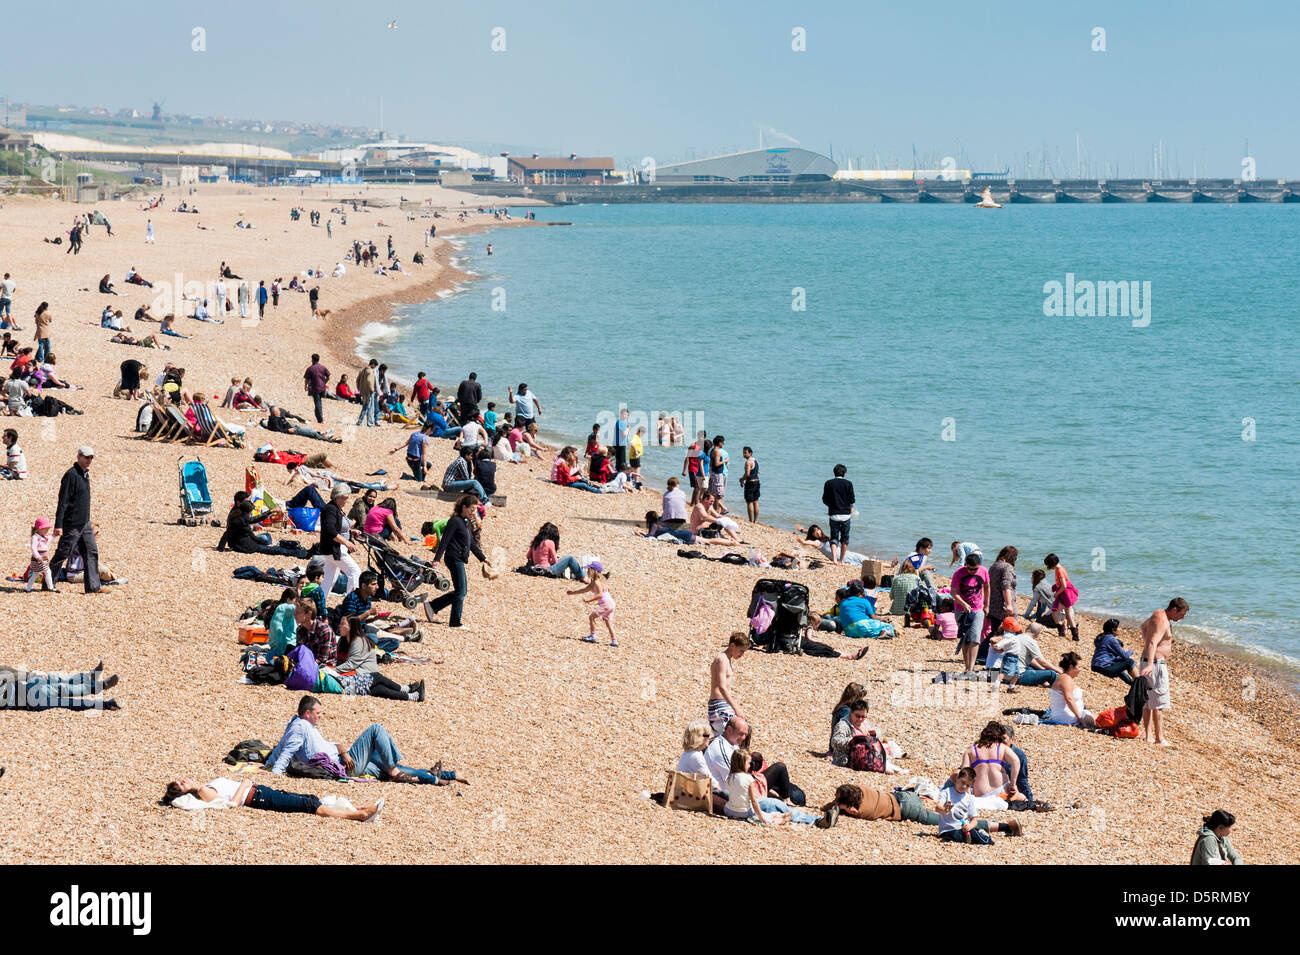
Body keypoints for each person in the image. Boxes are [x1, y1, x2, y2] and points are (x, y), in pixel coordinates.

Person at [267, 695, 467, 785]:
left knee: (383, 770)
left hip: (344, 759)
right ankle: (394, 769)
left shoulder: (305, 725)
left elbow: (283, 746)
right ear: (307, 713)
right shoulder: (300, 727)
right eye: (318, 713)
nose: (321, 716)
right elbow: (286, 750)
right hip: (341, 767)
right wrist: (273, 772)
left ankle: (439, 777)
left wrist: (343, 751)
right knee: (375, 729)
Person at [826, 781, 1021, 838]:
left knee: (948, 821)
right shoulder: (861, 789)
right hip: (905, 794)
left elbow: (838, 809)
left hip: (907, 810)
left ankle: (1005, 827)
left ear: (850, 806)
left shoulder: (858, 810)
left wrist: (836, 806)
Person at [163, 776, 383, 822]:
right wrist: (244, 785)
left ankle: (363, 808)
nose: (184, 780)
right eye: (181, 785)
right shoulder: (203, 791)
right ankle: (359, 815)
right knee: (307, 806)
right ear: (184, 792)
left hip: (258, 793)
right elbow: (229, 804)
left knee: (307, 799)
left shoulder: (203, 787)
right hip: (255, 797)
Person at [424, 494, 487, 631]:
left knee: (460, 591)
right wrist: (436, 559)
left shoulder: (465, 522)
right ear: (463, 507)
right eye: (471, 509)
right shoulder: (455, 521)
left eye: (475, 510)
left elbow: (471, 543)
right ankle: (455, 622)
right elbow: (445, 540)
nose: (473, 512)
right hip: (453, 558)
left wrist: (483, 558)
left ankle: (433, 606)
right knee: (461, 591)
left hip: (459, 559)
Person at [724, 748, 824, 827]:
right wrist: (762, 818)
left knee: (774, 807)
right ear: (743, 763)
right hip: (744, 812)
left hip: (729, 810)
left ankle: (787, 815)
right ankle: (816, 820)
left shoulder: (729, 778)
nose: (750, 765)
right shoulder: (748, 778)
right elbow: (754, 801)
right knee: (775, 808)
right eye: (749, 763)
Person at [49, 447, 101, 594]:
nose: (89, 460)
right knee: (63, 553)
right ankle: (48, 583)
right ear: (78, 456)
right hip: (72, 524)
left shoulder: (85, 475)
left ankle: (93, 587)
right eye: (86, 457)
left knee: (91, 552)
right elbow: (63, 501)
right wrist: (59, 524)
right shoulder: (71, 475)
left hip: (84, 523)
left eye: (91, 457)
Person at [1139, 598, 1189, 746]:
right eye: (1182, 614)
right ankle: (1159, 738)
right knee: (1158, 703)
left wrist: (1148, 653)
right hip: (1155, 665)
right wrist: (1150, 663)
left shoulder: (1157, 614)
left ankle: (1148, 736)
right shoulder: (1163, 621)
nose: (1182, 618)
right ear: (1174, 609)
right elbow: (1154, 641)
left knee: (1148, 702)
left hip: (1149, 662)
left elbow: (1143, 627)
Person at [938, 768, 1022, 844]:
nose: (963, 786)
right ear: (957, 778)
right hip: (947, 829)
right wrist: (945, 810)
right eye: (962, 782)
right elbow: (937, 807)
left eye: (967, 785)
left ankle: (984, 836)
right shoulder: (946, 792)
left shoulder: (969, 798)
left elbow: (974, 820)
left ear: (971, 786)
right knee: (957, 835)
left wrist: (970, 826)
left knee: (982, 839)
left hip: (964, 829)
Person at [951, 721, 1020, 810]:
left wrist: (967, 794)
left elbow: (965, 773)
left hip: (981, 794)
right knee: (1022, 797)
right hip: (1001, 792)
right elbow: (1016, 761)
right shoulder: (1001, 748)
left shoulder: (971, 750)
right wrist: (1013, 784)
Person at [1, 662, 120, 711]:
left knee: (59, 681)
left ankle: (91, 678)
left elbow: (6, 670)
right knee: (67, 696)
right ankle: (103, 693)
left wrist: (31, 674)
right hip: (30, 698)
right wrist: (31, 674)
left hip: (29, 685)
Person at [320, 484, 361, 603]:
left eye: (346, 497)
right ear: (337, 496)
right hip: (334, 549)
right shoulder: (330, 509)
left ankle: (318, 605)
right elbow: (330, 530)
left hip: (332, 549)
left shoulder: (336, 508)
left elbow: (337, 527)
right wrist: (347, 542)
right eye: (344, 497)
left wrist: (351, 531)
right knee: (355, 571)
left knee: (329, 580)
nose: (346, 500)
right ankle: (352, 603)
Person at [950, 552, 989, 671]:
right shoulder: (959, 573)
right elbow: (953, 592)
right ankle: (967, 666)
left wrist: (987, 605)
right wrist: (964, 604)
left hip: (978, 609)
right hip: (961, 610)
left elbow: (987, 587)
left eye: (975, 569)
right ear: (966, 565)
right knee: (965, 639)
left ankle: (971, 668)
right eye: (970, 569)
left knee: (975, 638)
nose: (973, 571)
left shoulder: (983, 571)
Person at [1041, 652, 1096, 727]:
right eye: (1079, 667)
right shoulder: (1066, 679)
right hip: (1066, 718)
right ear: (1071, 667)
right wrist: (1080, 718)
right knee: (1102, 720)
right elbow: (1069, 699)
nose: (1081, 670)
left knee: (1101, 717)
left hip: (1067, 715)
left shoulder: (1066, 678)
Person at [568, 562, 617, 646]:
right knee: (608, 622)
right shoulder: (599, 582)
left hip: (606, 604)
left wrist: (589, 600)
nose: (587, 572)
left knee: (591, 617)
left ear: (593, 571)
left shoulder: (597, 582)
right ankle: (614, 641)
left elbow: (600, 594)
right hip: (611, 603)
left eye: (588, 570)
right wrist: (572, 592)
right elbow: (585, 589)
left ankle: (592, 636)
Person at [708, 633, 747, 733]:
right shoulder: (722, 659)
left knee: (725, 738)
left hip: (721, 704)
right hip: (719, 704)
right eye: (741, 651)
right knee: (732, 736)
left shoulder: (726, 659)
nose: (742, 655)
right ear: (732, 645)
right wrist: (736, 708)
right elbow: (722, 687)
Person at [821, 464, 855, 565]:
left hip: (834, 515)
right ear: (844, 474)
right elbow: (852, 499)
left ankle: (835, 559)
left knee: (834, 537)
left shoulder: (828, 483)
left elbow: (824, 499)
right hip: (846, 515)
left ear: (834, 473)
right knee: (845, 538)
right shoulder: (848, 483)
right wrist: (850, 508)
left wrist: (831, 506)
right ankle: (841, 560)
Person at [1091, 618, 1139, 685]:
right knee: (1129, 661)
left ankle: (1133, 684)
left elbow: (1113, 658)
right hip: (1103, 667)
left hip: (1096, 666)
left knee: (1119, 665)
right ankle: (1140, 684)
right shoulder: (1111, 639)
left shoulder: (1101, 638)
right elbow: (1125, 656)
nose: (1120, 629)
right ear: (1113, 630)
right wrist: (1131, 651)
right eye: (1119, 627)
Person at [1043, 553, 1080, 640]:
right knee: (1068, 615)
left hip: (1065, 595)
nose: (1049, 567)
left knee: (1055, 613)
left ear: (1052, 564)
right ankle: (1075, 636)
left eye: (1049, 565)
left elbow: (1064, 585)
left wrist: (1057, 593)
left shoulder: (1059, 571)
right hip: (1068, 595)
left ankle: (1062, 632)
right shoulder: (1061, 568)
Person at [26, 516, 57, 593]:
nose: (47, 531)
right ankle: (50, 587)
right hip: (39, 558)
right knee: (46, 572)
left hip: (43, 557)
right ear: (40, 529)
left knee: (35, 574)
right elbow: (33, 547)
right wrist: (37, 556)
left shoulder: (42, 537)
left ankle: (28, 589)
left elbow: (48, 541)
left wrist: (54, 535)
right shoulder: (35, 537)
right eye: (46, 529)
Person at [303, 354, 330, 424]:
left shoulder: (310, 368)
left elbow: (306, 379)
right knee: (319, 402)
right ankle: (318, 417)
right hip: (322, 387)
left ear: (312, 359)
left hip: (315, 387)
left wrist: (305, 386)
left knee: (317, 402)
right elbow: (328, 376)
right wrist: (324, 382)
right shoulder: (323, 367)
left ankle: (320, 419)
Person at [738, 446, 760, 523]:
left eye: (745, 453)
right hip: (757, 481)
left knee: (749, 502)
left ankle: (751, 521)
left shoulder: (748, 462)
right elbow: (756, 471)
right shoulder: (755, 460)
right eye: (743, 452)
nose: (744, 454)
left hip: (750, 482)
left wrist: (741, 479)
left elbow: (747, 474)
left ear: (750, 453)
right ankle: (756, 520)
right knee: (756, 501)